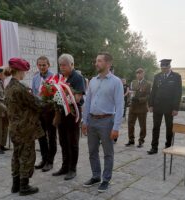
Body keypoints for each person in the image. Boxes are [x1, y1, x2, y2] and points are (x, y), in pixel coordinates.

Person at [82, 52, 124, 192]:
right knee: (92, 151)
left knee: (108, 153)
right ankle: (95, 176)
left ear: (108, 64)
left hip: (107, 122)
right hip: (92, 121)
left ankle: (106, 179)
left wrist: (116, 127)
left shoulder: (116, 82)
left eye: (99, 61)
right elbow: (87, 101)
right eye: (96, 61)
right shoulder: (93, 81)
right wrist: (84, 120)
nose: (96, 63)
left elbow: (120, 105)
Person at [4, 58, 44, 196]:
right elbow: (37, 105)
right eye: (24, 71)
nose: (25, 74)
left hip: (14, 128)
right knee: (27, 156)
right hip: (25, 128)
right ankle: (24, 186)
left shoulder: (8, 87)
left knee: (16, 155)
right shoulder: (20, 89)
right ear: (19, 71)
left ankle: (15, 185)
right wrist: (51, 102)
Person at [52, 54, 86, 180]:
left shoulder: (77, 77)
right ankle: (64, 166)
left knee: (72, 142)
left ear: (72, 64)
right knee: (62, 141)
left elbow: (77, 98)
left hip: (72, 114)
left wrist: (62, 98)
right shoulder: (60, 77)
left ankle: (73, 169)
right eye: (60, 65)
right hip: (61, 114)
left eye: (64, 65)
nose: (62, 67)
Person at [148, 59, 182, 155]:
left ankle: (168, 146)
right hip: (157, 106)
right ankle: (154, 147)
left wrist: (176, 108)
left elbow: (178, 93)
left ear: (169, 67)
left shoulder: (176, 77)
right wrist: (150, 104)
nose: (163, 70)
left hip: (169, 107)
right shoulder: (157, 76)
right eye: (162, 68)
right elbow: (153, 91)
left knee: (169, 127)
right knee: (155, 127)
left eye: (165, 68)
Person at [32, 56, 57, 172]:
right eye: (40, 65)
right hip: (39, 111)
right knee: (41, 136)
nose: (42, 67)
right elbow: (34, 93)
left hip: (50, 111)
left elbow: (57, 96)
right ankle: (44, 159)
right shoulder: (35, 77)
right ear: (37, 65)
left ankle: (50, 161)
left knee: (51, 137)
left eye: (44, 65)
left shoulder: (54, 77)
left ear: (48, 65)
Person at [125, 68, 151, 148]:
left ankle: (141, 141)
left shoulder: (147, 83)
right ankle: (131, 140)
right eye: (137, 73)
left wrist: (139, 99)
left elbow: (148, 96)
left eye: (140, 73)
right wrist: (129, 99)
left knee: (142, 125)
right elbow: (130, 92)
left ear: (143, 74)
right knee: (130, 124)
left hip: (142, 107)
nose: (138, 75)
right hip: (133, 107)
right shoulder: (133, 82)